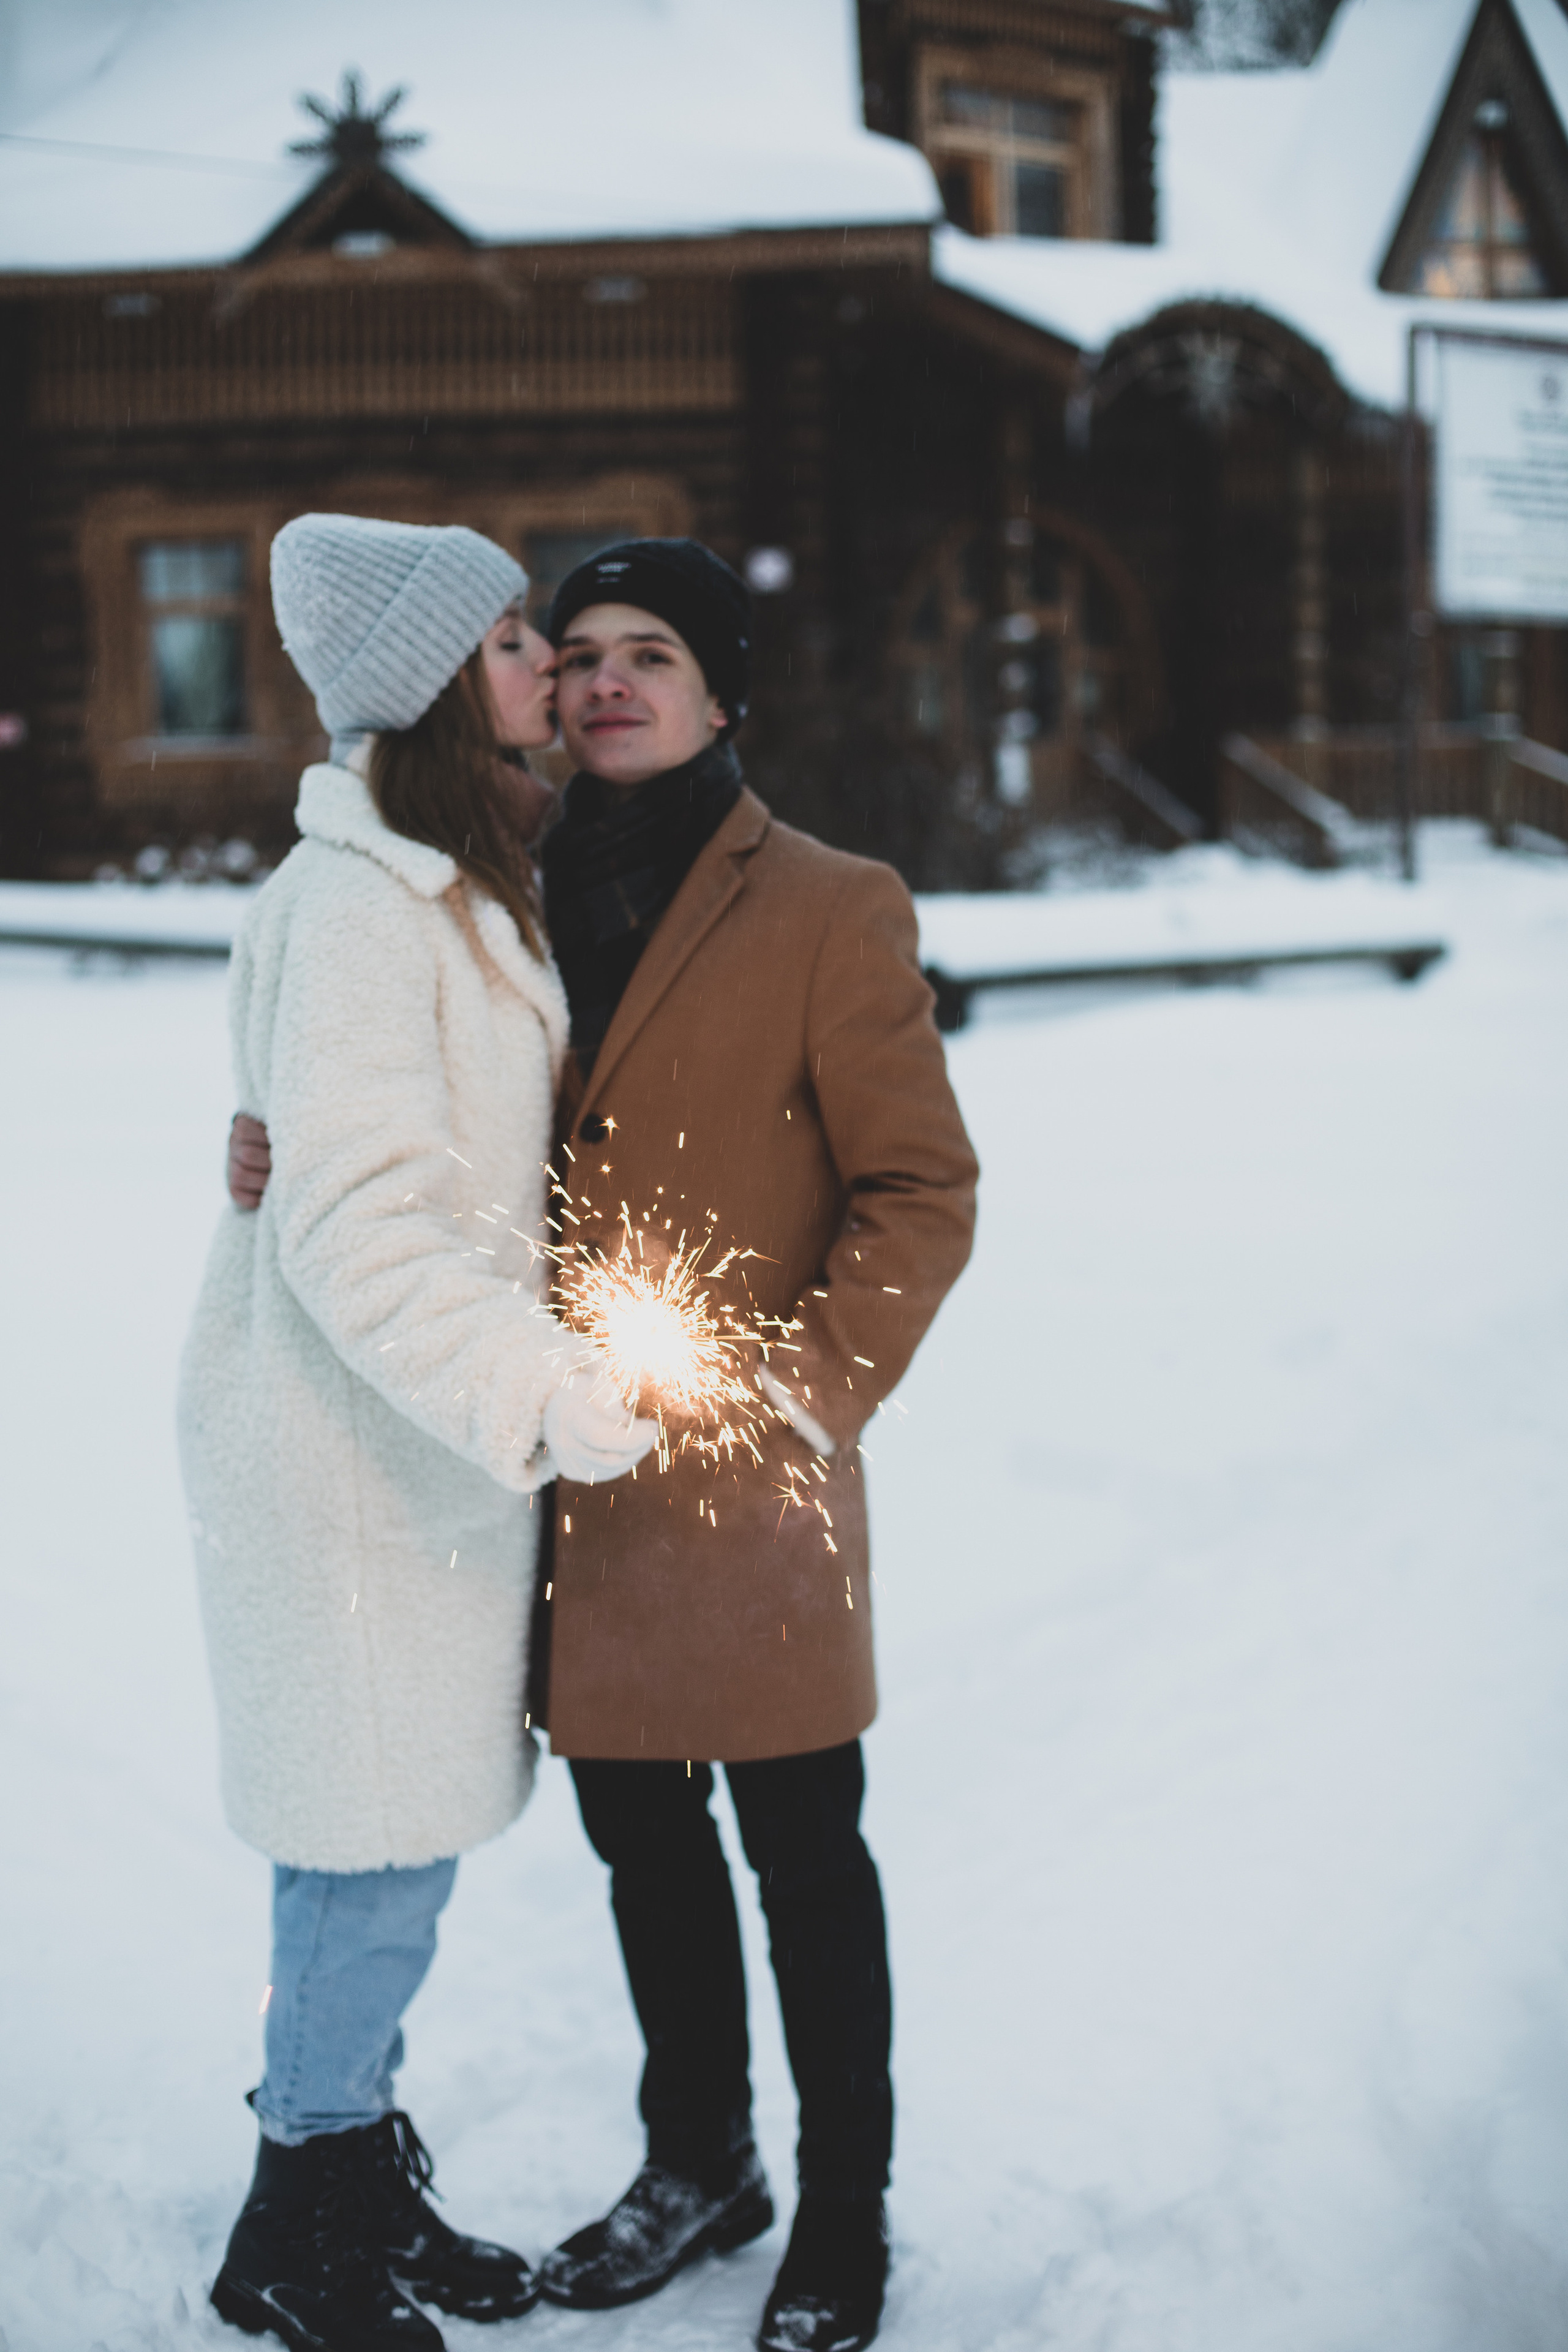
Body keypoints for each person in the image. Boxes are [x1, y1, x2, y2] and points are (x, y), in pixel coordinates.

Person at [229, 536, 979, 2352]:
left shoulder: (831, 901)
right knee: (646, 1852)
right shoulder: (495, 882)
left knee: (808, 1860)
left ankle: (845, 2209)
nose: (607, 679)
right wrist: (272, 1145)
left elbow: (921, 1188)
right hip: (553, 1468)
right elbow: (399, 1105)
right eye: (577, 652)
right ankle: (699, 2161)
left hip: (751, 1468)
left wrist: (806, 1391)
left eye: (655, 652)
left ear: (723, 696)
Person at [183, 513, 654, 2352]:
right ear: (444, 678)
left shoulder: (443, 879)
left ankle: (343, 2177)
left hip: (404, 1446)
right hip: (348, 1457)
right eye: (517, 637)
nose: (550, 662)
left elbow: (350, 1152)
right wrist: (541, 1391)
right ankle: (298, 2225)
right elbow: (360, 1225)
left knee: (386, 1855)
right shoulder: (369, 908)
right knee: (363, 1862)